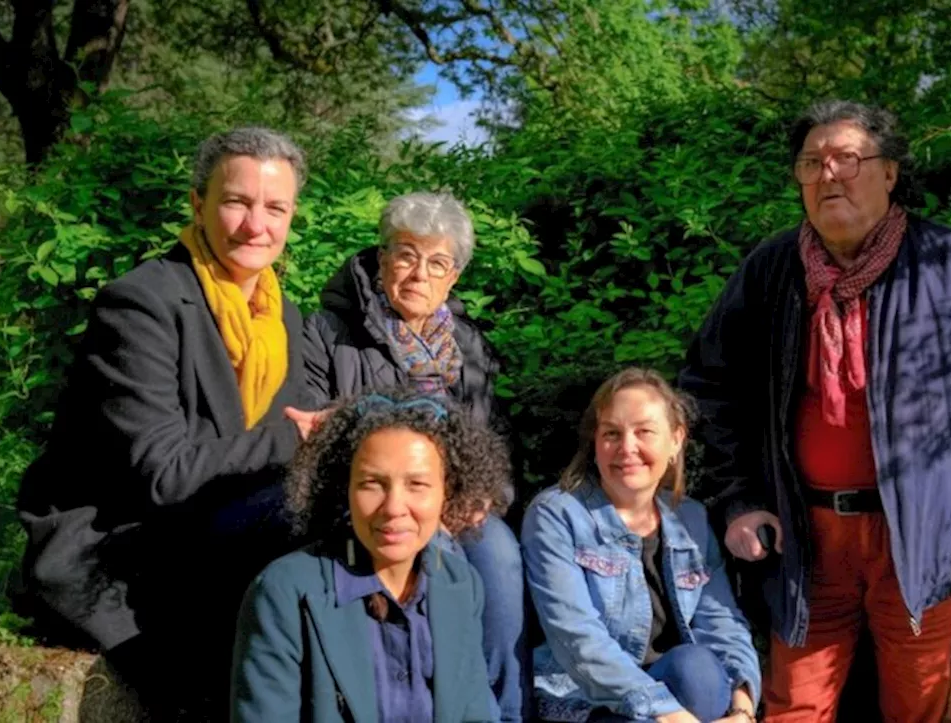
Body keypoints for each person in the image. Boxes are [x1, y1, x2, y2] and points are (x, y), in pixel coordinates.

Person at [678, 99, 951, 722]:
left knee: (921, 707)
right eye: (811, 163)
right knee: (793, 706)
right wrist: (738, 499)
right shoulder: (772, 270)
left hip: (922, 539)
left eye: (846, 158)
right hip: (804, 539)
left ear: (890, 172)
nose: (828, 175)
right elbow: (708, 386)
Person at [15, 126, 311, 718]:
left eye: (275, 207)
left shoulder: (284, 318)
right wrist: (299, 436)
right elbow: (162, 474)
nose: (257, 225)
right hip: (127, 542)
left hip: (221, 524)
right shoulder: (140, 303)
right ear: (198, 204)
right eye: (237, 202)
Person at [295, 191, 528, 721]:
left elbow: (498, 439)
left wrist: (486, 495)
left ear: (454, 277)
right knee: (439, 559)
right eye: (405, 254)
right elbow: (314, 431)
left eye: (437, 262)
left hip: (458, 500)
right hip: (376, 502)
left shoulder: (469, 347)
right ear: (381, 261)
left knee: (499, 553)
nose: (419, 273)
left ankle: (504, 710)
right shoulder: (329, 333)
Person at [231, 389, 511, 722]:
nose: (393, 508)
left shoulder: (461, 584)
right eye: (371, 483)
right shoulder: (284, 593)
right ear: (343, 488)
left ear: (447, 493)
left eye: (417, 484)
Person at [522, 368, 761, 723]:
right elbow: (576, 639)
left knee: (697, 669)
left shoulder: (691, 520)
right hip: (590, 702)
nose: (627, 448)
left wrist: (742, 706)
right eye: (612, 434)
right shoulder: (556, 515)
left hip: (683, 697)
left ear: (676, 439)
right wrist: (667, 713)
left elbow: (722, 624)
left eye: (644, 431)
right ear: (595, 442)